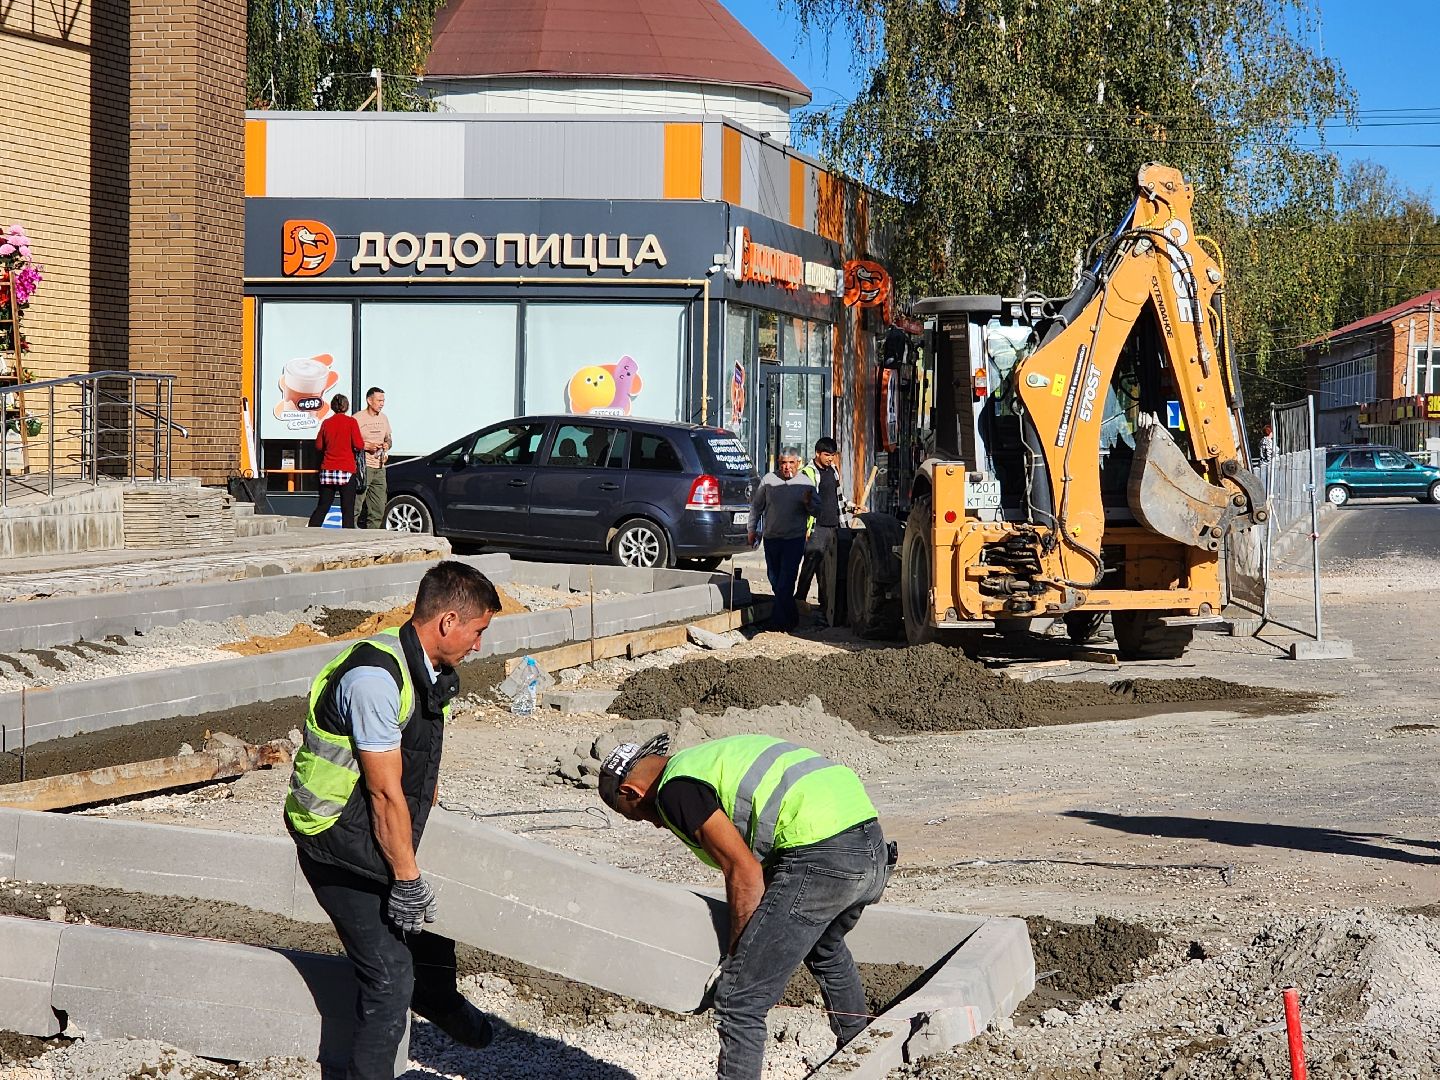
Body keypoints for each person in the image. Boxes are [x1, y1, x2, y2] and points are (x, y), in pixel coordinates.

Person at [284, 560, 502, 1079]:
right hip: (333, 837)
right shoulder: (374, 679)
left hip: (365, 824)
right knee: (388, 977)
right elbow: (384, 794)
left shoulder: (424, 668)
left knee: (432, 909)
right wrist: (406, 878)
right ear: (448, 621)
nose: (479, 645)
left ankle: (437, 997)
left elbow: (411, 773)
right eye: (478, 631)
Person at [598, 734, 894, 1080]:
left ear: (630, 792)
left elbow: (745, 873)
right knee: (825, 950)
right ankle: (864, 1061)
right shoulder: (707, 760)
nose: (658, 823)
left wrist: (736, 956)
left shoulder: (675, 790)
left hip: (822, 857)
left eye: (641, 817)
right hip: (872, 849)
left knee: (740, 1000)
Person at [747, 448, 814, 631]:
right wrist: (751, 529)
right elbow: (756, 507)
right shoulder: (768, 480)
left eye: (791, 463)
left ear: (798, 463)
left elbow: (817, 511)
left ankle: (778, 622)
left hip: (794, 539)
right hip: (772, 538)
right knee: (774, 578)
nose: (787, 467)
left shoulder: (805, 483)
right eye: (783, 463)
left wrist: (809, 503)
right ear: (778, 463)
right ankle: (791, 618)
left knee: (786, 580)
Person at [795, 437, 845, 626]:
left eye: (832, 455)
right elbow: (802, 502)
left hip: (833, 526)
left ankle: (825, 608)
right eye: (826, 455)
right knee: (810, 565)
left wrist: (850, 507)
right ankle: (799, 601)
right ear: (817, 454)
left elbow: (838, 498)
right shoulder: (808, 473)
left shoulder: (833, 472)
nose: (830, 459)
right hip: (817, 528)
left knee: (827, 570)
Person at [308, 393, 365, 529]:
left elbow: (319, 446)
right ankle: (347, 538)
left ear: (333, 407)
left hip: (328, 469)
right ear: (347, 407)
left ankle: (312, 531)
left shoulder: (326, 423)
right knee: (347, 509)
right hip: (346, 470)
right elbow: (359, 444)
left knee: (323, 506)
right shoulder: (351, 422)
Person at [355, 386, 393, 529]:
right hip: (363, 468)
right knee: (356, 506)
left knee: (378, 508)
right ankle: (350, 536)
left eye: (383, 400)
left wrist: (386, 445)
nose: (382, 403)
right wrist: (366, 446)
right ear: (369, 400)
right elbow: (350, 443)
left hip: (380, 467)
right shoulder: (358, 418)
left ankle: (373, 537)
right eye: (379, 400)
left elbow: (389, 438)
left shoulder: (384, 418)